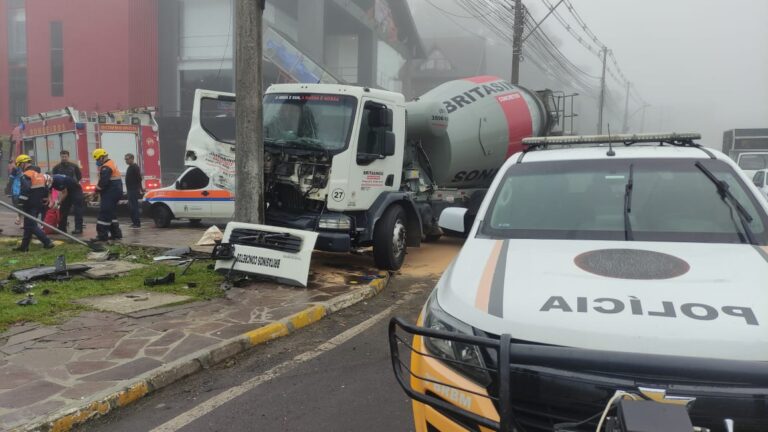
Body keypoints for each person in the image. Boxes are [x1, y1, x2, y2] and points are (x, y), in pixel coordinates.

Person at [13, 154, 54, 251]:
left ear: (23, 163)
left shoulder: (26, 175)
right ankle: (24, 247)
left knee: (31, 225)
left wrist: (20, 202)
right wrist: (45, 198)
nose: (19, 168)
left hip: (30, 203)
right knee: (28, 225)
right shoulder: (39, 174)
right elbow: (46, 187)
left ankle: (47, 242)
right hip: (38, 203)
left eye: (19, 165)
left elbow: (26, 189)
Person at [92, 149, 123, 241]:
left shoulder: (106, 167)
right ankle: (116, 234)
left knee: (104, 214)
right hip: (115, 192)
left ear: (101, 157)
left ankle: (102, 235)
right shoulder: (111, 163)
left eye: (97, 159)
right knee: (111, 214)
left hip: (110, 192)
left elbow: (103, 182)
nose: (97, 162)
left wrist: (96, 190)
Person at [52, 150, 84, 232]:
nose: (64, 158)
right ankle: (62, 228)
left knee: (78, 210)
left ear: (68, 157)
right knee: (63, 209)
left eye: (65, 156)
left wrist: (73, 183)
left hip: (75, 189)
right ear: (60, 157)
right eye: (62, 157)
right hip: (64, 190)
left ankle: (78, 228)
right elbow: (54, 180)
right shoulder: (56, 167)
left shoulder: (74, 166)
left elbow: (79, 176)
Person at [124, 153, 144, 228]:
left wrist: (140, 189)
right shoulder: (129, 167)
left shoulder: (135, 167)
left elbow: (139, 179)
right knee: (131, 206)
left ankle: (137, 223)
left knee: (134, 207)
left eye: (127, 159)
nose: (126, 160)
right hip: (130, 190)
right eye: (125, 159)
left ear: (132, 158)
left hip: (134, 190)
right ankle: (134, 222)